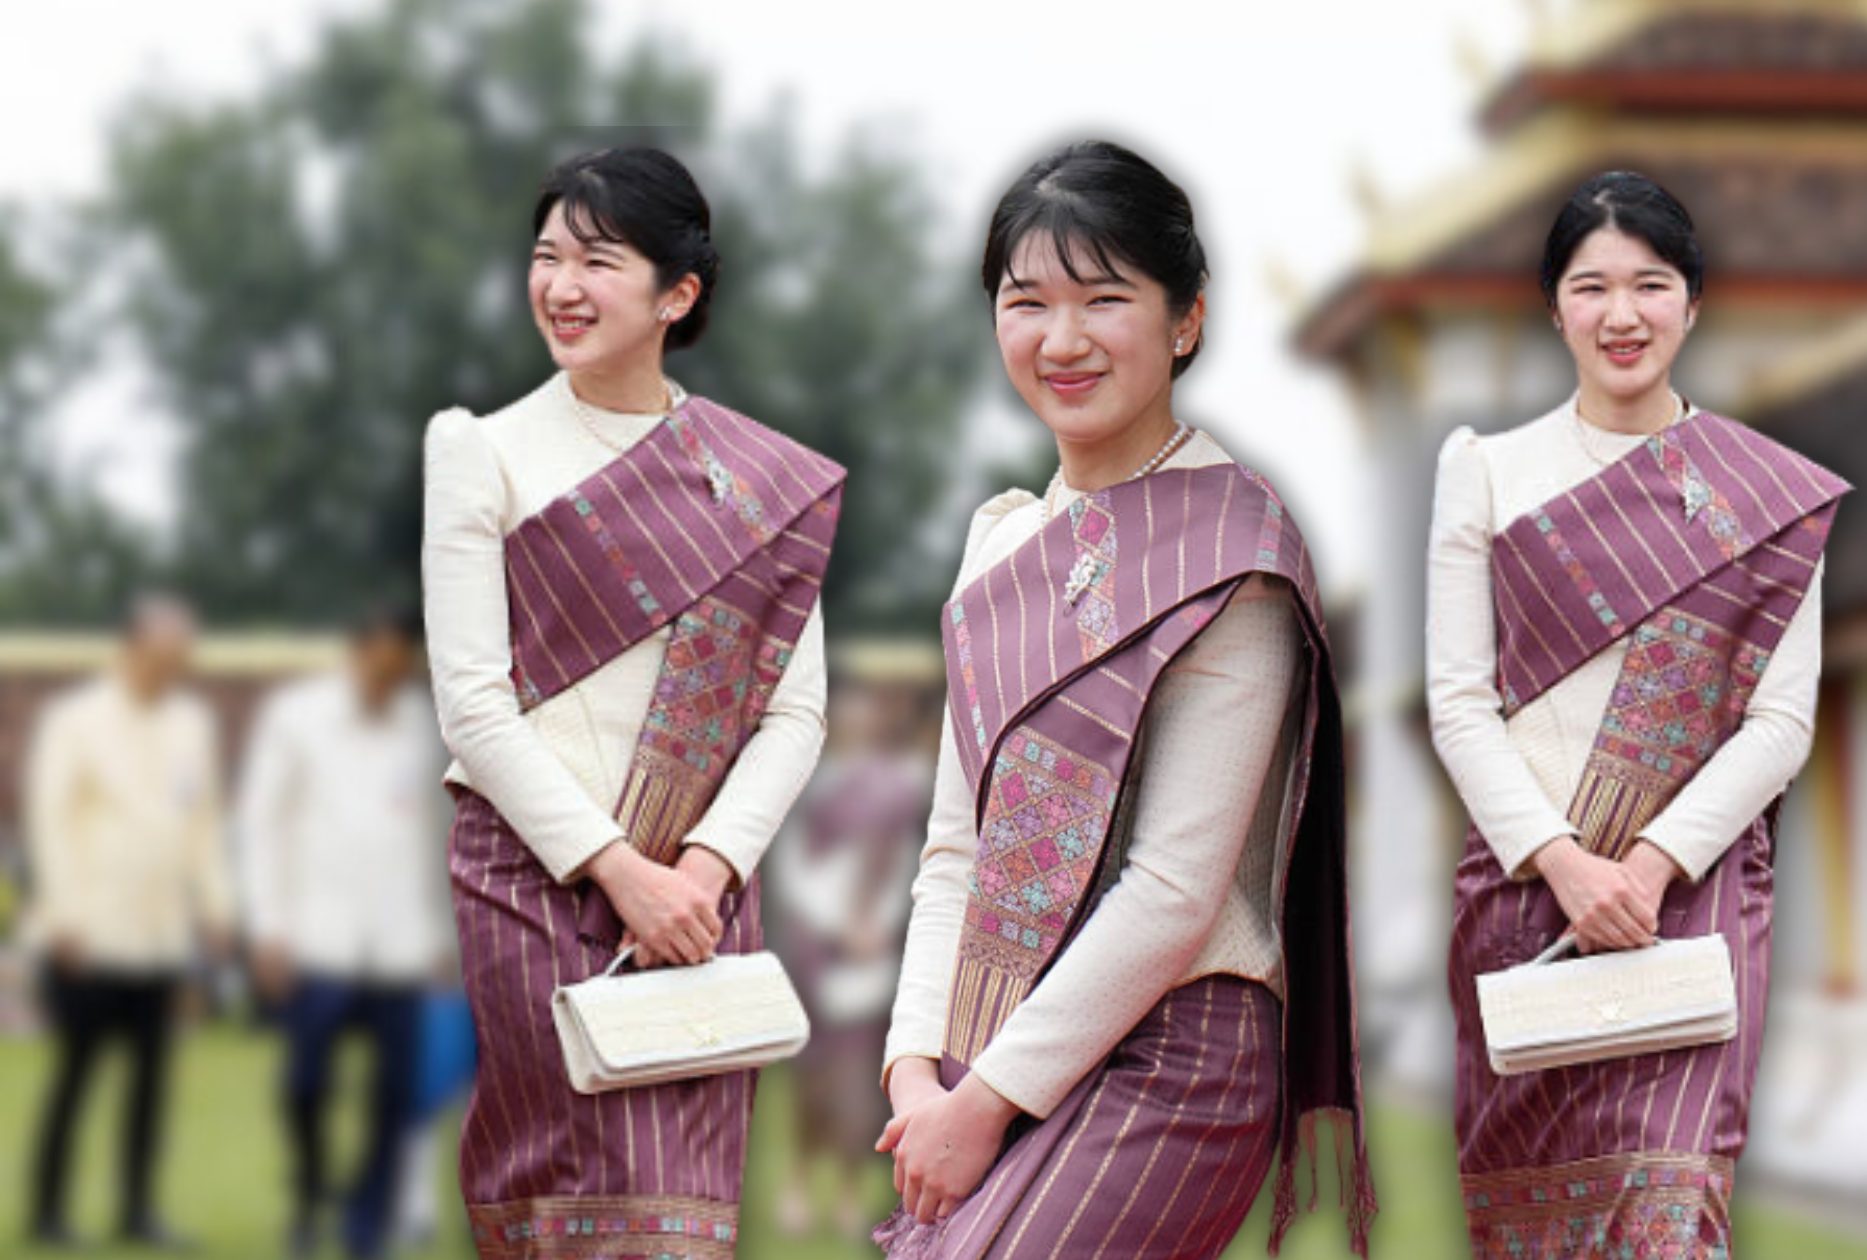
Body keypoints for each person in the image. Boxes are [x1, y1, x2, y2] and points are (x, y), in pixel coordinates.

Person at [875, 140, 1372, 1260]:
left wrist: (983, 1101)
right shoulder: (1003, 545)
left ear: (1185, 319)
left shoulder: (1231, 551)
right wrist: (915, 1069)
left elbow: (1174, 890)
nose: (1062, 340)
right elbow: (956, 849)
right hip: (996, 1035)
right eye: (1027, 303)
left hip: (1176, 1053)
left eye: (1104, 299)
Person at [422, 146, 844, 1259]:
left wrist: (699, 873)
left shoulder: (759, 483)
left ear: (677, 294)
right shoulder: (480, 451)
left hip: (701, 902)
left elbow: (794, 714)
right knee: (569, 1211)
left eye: (597, 261)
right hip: (537, 883)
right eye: (546, 257)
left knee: (678, 1223)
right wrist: (621, 873)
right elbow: (473, 707)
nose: (561, 286)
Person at [1429, 171, 1849, 1257]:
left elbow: (1780, 724)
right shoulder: (1485, 472)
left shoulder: (1768, 497)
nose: (1622, 314)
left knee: (1668, 1216)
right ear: (1554, 308)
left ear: (1692, 305)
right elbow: (1458, 703)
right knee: (1533, 1225)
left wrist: (1653, 866)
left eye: (1650, 285)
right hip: (1528, 895)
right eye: (1591, 287)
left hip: (1692, 898)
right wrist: (1565, 864)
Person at [236, 607, 448, 1258]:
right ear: (357, 653)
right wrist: (268, 926)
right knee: (305, 1085)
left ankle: (365, 1224)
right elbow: (261, 825)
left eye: (400, 667)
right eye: (381, 663)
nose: (390, 677)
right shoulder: (297, 718)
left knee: (394, 1095)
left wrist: (443, 937)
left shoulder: (422, 727)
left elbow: (437, 835)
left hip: (401, 947)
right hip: (317, 941)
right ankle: (308, 1198)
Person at [22, 593, 231, 1250]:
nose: (177, 662)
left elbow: (202, 825)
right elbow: (50, 821)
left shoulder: (193, 724)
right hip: (86, 934)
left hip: (160, 937)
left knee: (151, 1082)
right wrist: (64, 916)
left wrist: (217, 906)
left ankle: (138, 1211)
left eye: (183, 652)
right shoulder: (76, 719)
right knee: (76, 1076)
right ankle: (48, 1214)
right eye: (167, 650)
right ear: (134, 645)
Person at [768, 664, 933, 1241]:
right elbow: (792, 861)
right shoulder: (814, 783)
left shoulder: (906, 783)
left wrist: (874, 926)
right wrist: (833, 920)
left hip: (873, 947)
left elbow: (908, 859)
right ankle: (797, 1178)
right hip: (817, 943)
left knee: (857, 1076)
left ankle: (842, 1187)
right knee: (812, 1076)